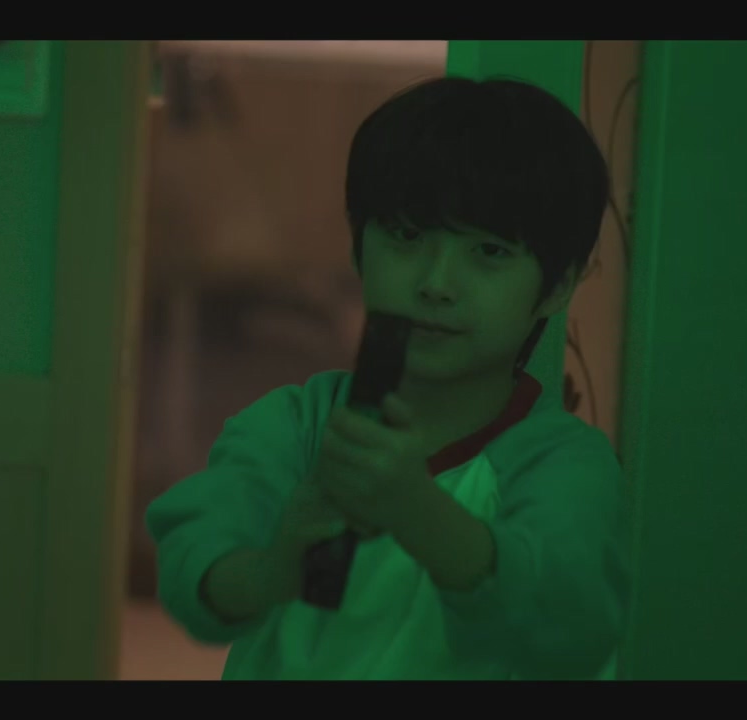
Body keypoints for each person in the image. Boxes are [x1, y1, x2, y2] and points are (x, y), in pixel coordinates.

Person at [145, 75, 631, 680]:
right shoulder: (296, 426)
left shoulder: (563, 464)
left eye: (489, 252)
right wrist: (272, 571)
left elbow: (570, 629)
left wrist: (416, 509)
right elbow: (194, 561)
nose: (436, 283)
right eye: (406, 236)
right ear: (358, 250)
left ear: (558, 287)